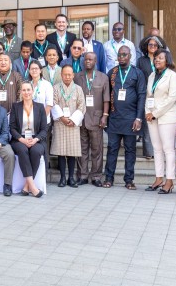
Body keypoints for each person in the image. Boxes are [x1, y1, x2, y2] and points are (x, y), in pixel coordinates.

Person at [103, 46, 146, 189]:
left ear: (130, 56)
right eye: (119, 55)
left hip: (131, 119)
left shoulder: (137, 73)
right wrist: (106, 115)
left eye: (124, 54)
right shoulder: (112, 73)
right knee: (112, 149)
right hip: (114, 119)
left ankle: (129, 180)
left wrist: (139, 118)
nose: (121, 57)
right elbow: (106, 96)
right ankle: (109, 179)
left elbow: (141, 96)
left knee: (130, 150)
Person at [143, 49, 176, 194]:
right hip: (151, 116)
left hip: (168, 116)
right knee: (156, 149)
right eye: (156, 58)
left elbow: (172, 98)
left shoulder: (173, 76)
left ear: (167, 60)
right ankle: (158, 179)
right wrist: (148, 112)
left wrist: (155, 113)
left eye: (161, 58)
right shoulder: (152, 75)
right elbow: (149, 95)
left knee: (168, 149)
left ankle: (169, 181)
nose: (157, 60)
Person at [74, 52, 110, 187]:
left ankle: (96, 176)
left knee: (97, 149)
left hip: (96, 118)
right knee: (82, 149)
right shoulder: (77, 77)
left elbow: (106, 99)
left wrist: (105, 116)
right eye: (86, 59)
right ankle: (82, 175)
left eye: (91, 59)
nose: (87, 61)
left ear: (95, 61)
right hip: (81, 118)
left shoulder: (103, 77)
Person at [9, 81, 47, 198]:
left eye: (28, 90)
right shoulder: (16, 106)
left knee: (36, 151)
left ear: (32, 91)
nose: (26, 92)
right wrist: (22, 140)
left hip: (36, 139)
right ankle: (33, 187)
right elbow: (12, 128)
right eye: (24, 90)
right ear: (20, 92)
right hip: (19, 139)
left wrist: (36, 140)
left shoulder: (40, 107)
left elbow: (44, 129)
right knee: (23, 151)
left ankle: (26, 186)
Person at [51, 66, 86, 188]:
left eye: (69, 74)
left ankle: (71, 178)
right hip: (60, 123)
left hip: (73, 124)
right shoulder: (55, 88)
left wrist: (73, 120)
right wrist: (62, 117)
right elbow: (54, 104)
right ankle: (62, 178)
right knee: (61, 152)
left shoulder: (78, 89)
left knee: (72, 152)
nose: (67, 77)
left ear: (73, 75)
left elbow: (82, 106)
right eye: (65, 74)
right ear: (61, 75)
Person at [137, 35, 167, 159]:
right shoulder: (141, 61)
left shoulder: (162, 59)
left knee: (160, 121)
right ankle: (149, 152)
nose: (153, 47)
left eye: (155, 45)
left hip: (160, 95)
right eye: (150, 45)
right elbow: (139, 76)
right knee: (148, 122)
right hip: (146, 94)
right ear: (146, 46)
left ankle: (160, 150)